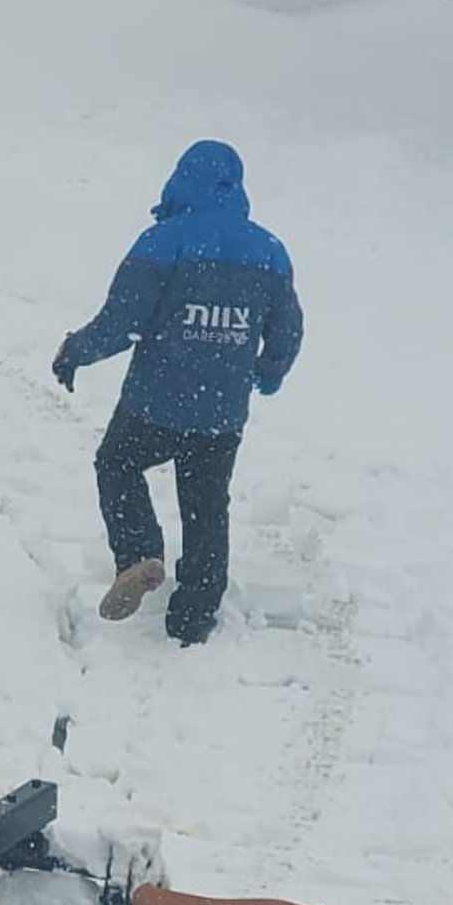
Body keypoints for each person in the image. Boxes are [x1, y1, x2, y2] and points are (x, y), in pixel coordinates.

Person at [52, 141, 303, 646]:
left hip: (155, 403)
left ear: (181, 181)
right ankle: (193, 618)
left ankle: (140, 552)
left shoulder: (164, 241)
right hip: (220, 412)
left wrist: (74, 352)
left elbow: (120, 322)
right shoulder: (269, 251)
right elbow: (288, 328)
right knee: (206, 507)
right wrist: (269, 373)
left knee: (117, 465)